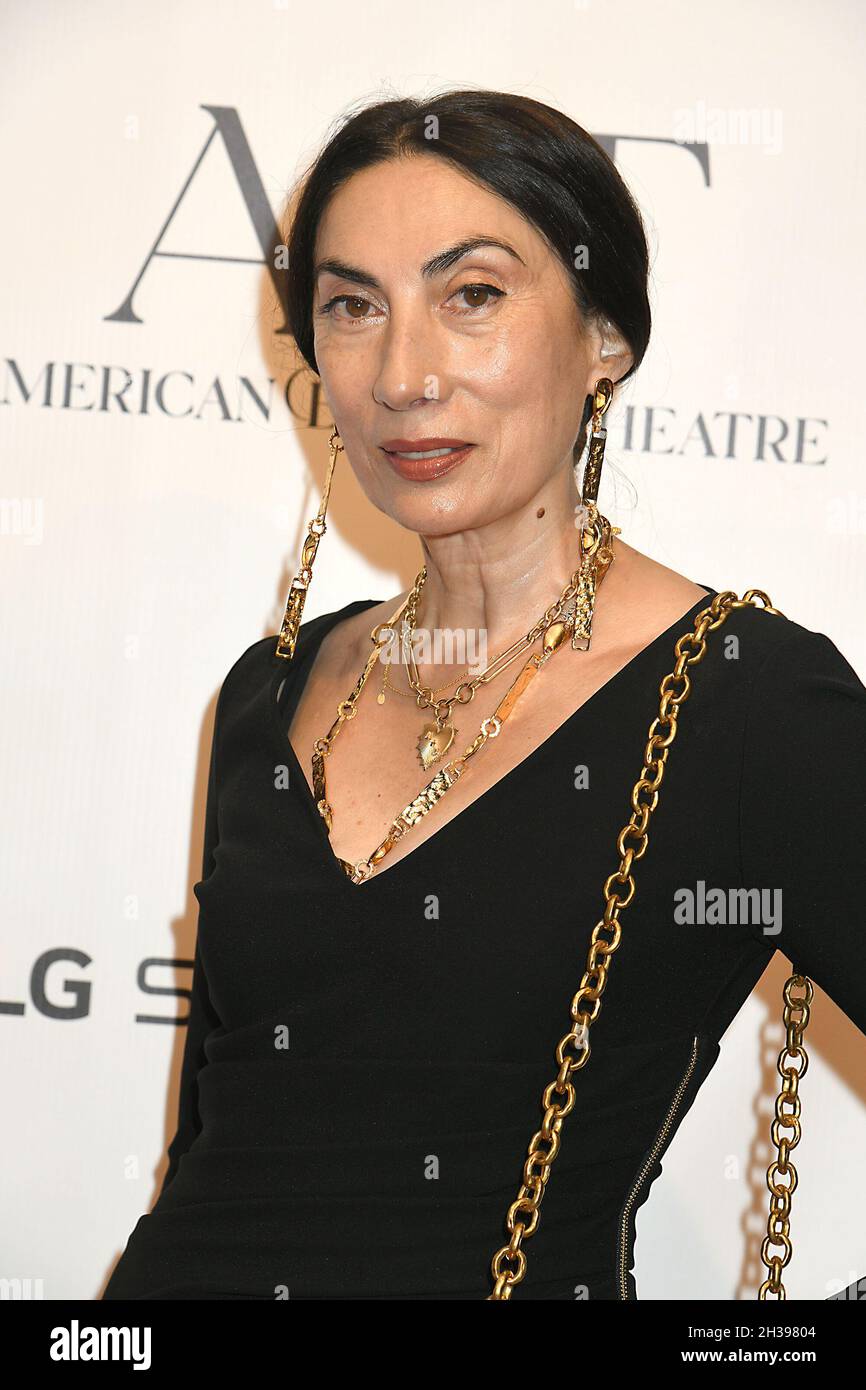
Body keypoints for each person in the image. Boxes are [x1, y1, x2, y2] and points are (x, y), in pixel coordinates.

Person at [103, 89, 866, 1301]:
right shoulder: (271, 692)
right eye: (352, 307)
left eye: (471, 296)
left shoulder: (744, 704)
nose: (402, 375)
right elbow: (214, 1149)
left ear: (604, 334)